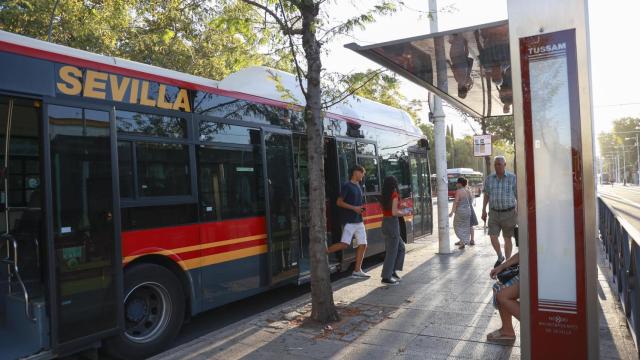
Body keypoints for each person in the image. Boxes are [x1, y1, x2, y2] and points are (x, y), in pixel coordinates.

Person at [327, 165, 370, 278]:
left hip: (359, 221)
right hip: (350, 221)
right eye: (362, 173)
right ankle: (322, 253)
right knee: (344, 244)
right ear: (356, 172)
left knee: (363, 244)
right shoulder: (347, 186)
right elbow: (339, 202)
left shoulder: (358, 186)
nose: (363, 175)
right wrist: (354, 208)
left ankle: (357, 270)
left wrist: (359, 209)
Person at [481, 156, 517, 267]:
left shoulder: (512, 178)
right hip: (494, 213)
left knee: (507, 238)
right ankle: (500, 256)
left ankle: (507, 261)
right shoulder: (489, 179)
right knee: (492, 236)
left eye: (499, 164)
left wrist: (520, 211)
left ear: (504, 165)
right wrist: (483, 210)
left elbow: (518, 195)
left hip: (509, 213)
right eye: (495, 164)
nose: (497, 166)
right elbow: (486, 195)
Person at [380, 176, 410, 285]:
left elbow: (390, 209)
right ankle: (386, 277)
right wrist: (405, 212)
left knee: (401, 248)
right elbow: (394, 212)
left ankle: (392, 271)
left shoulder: (384, 195)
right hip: (392, 223)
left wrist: (400, 207)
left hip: (385, 222)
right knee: (392, 252)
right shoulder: (394, 194)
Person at [487, 253, 520, 343]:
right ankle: (507, 330)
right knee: (498, 287)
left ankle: (536, 325)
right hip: (528, 270)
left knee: (502, 295)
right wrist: (501, 267)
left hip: (538, 274)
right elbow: (523, 253)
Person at [449, 177, 473, 249]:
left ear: (459, 184)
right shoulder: (468, 191)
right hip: (468, 211)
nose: (456, 184)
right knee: (466, 227)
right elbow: (471, 201)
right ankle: (463, 242)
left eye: (457, 183)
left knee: (456, 226)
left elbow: (455, 202)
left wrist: (452, 212)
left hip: (460, 211)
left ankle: (463, 240)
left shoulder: (459, 191)